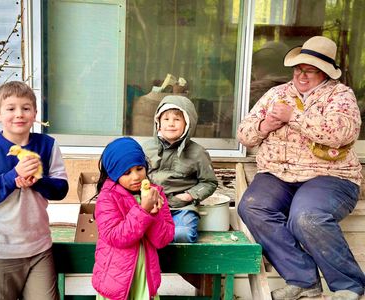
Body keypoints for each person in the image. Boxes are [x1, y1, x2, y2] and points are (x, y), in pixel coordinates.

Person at [237, 35, 365, 300]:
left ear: (326, 73)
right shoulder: (277, 94)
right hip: (278, 173)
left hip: (330, 176)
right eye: (299, 69)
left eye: (311, 71)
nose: (302, 76)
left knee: (306, 216)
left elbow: (342, 133)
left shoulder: (340, 95)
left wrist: (293, 117)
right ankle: (303, 280)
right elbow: (244, 135)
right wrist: (264, 126)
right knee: (252, 206)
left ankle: (349, 286)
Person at [0, 81, 69, 300]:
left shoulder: (48, 145)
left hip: (39, 250)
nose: (19, 114)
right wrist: (13, 177)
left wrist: (36, 181)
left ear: (35, 113)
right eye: (11, 108)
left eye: (26, 108)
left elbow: (61, 190)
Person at [91, 137, 174, 300]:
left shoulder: (155, 193)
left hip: (145, 280)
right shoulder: (107, 198)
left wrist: (154, 213)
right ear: (114, 174)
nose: (136, 177)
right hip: (116, 282)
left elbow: (162, 240)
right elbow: (116, 237)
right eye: (127, 172)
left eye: (139, 168)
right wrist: (144, 210)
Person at [143, 95, 218, 243]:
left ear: (187, 124)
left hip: (181, 207)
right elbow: (136, 176)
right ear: (158, 123)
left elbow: (209, 182)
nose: (171, 124)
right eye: (166, 119)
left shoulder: (198, 152)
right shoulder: (146, 148)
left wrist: (190, 196)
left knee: (183, 234)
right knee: (137, 232)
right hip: (151, 204)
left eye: (177, 119)